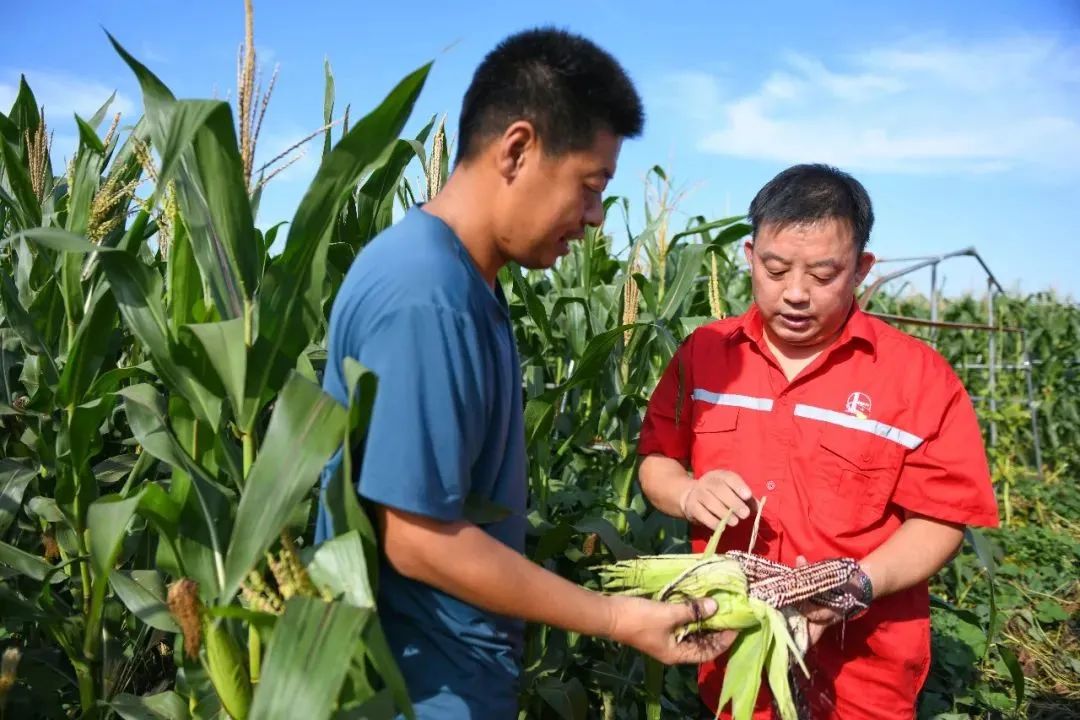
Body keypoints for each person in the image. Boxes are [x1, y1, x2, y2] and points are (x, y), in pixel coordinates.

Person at [314, 27, 735, 720]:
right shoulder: (428, 295)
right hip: (417, 690)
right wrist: (616, 618)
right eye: (590, 187)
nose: (596, 217)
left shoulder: (465, 279)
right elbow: (417, 540)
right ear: (517, 149)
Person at [636, 163, 1000, 719]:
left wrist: (857, 582)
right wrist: (686, 494)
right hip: (735, 654)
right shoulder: (704, 355)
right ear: (750, 257)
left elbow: (942, 519)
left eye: (824, 274)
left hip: (863, 672)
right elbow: (657, 462)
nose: (796, 294)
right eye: (776, 270)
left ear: (861, 270)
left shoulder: (918, 378)